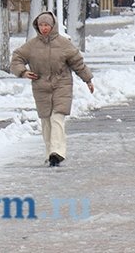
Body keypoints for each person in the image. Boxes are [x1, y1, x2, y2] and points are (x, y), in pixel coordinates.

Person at [10, 11, 94, 167]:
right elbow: (17, 58)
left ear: (53, 26)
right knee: (46, 121)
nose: (44, 28)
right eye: (41, 25)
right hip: (40, 86)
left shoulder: (64, 44)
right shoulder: (32, 45)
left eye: (46, 25)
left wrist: (87, 79)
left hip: (62, 84)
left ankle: (58, 151)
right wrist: (23, 71)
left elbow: (78, 63)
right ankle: (50, 153)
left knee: (57, 117)